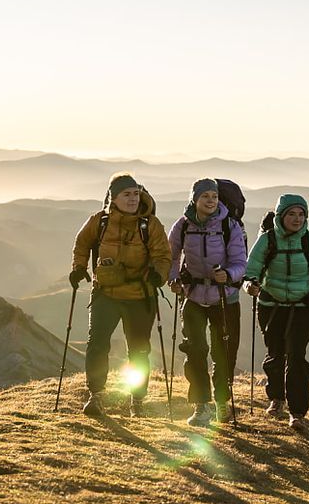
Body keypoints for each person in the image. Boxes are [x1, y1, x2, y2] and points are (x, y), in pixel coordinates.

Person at [70, 173, 171, 417]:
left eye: (136, 193)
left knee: (138, 350)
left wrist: (159, 274)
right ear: (113, 198)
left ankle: (137, 400)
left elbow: (163, 255)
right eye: (127, 194)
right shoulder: (100, 221)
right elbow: (82, 243)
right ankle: (96, 395)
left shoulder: (150, 225)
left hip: (139, 295)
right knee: (97, 344)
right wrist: (78, 268)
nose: (133, 199)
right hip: (105, 294)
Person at [244, 194, 309, 430]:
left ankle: (297, 413)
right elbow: (251, 267)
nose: (297, 219)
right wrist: (250, 284)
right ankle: (277, 398)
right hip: (271, 306)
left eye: (301, 214)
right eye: (291, 214)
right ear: (280, 216)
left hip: (302, 307)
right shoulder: (267, 240)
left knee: (295, 357)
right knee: (275, 353)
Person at [168, 179, 248, 426]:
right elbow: (171, 256)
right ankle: (202, 406)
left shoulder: (229, 226)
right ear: (195, 199)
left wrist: (229, 275)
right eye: (206, 197)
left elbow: (240, 262)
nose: (211, 201)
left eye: (214, 196)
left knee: (223, 353)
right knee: (195, 351)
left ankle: (222, 402)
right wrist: (172, 279)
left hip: (224, 297)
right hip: (192, 295)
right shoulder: (182, 225)